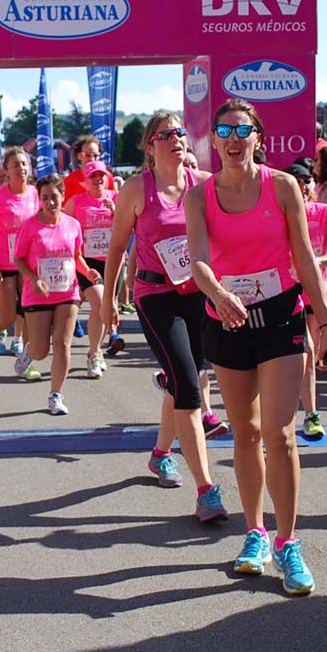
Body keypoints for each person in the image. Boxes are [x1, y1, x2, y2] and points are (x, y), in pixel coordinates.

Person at [187, 99, 327, 595]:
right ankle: (253, 532)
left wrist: (325, 325)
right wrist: (219, 292)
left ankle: (288, 541)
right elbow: (198, 261)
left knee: (281, 433)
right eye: (224, 130)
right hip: (225, 319)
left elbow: (305, 256)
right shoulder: (200, 195)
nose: (233, 139)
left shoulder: (282, 185)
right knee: (246, 432)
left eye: (242, 130)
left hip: (280, 316)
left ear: (258, 138)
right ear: (215, 140)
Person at [101, 111, 228, 523]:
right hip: (155, 295)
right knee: (189, 387)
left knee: (181, 380)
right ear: (149, 145)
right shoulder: (138, 189)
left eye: (179, 132)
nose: (175, 138)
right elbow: (117, 247)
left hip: (198, 294)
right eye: (165, 134)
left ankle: (159, 455)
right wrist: (107, 302)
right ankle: (206, 490)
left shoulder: (204, 184)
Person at [16, 175, 94, 414]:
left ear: (63, 196)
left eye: (54, 197)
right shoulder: (30, 226)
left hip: (68, 292)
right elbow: (18, 259)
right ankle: (27, 354)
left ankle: (55, 396)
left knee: (62, 344)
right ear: (40, 200)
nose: (50, 202)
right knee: (41, 351)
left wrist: (88, 271)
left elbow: (76, 255)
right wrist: (33, 278)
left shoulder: (73, 225)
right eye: (45, 198)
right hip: (38, 294)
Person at [286, 164, 327, 439]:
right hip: (286, 289)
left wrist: (313, 263)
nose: (302, 185)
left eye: (306, 180)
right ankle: (286, 413)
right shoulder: (279, 215)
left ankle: (311, 414)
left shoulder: (324, 212)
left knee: (310, 354)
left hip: (317, 289)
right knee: (301, 351)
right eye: (295, 180)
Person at [0, 147, 40, 379]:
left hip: (30, 264)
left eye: (24, 164)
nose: (21, 169)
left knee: (31, 314)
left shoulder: (35, 194)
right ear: (6, 170)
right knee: (8, 316)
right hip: (4, 264)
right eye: (16, 165)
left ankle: (26, 362)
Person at [63, 160, 115, 378]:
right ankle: (93, 353)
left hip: (112, 262)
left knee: (105, 310)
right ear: (85, 181)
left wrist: (118, 212)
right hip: (85, 262)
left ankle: (97, 350)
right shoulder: (76, 202)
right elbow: (63, 228)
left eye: (101, 175)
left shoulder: (116, 198)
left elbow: (133, 226)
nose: (98, 179)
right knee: (100, 303)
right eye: (93, 176)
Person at [61, 136, 119, 203]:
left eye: (95, 156)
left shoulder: (107, 176)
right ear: (79, 156)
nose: (92, 159)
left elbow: (115, 201)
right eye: (87, 155)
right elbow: (66, 207)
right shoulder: (70, 180)